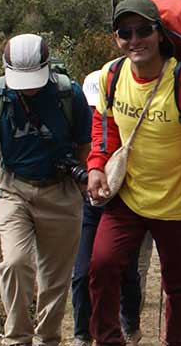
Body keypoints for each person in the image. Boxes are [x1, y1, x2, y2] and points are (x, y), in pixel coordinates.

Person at [85, 0, 181, 346]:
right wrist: (97, 166)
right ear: (116, 38)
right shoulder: (111, 75)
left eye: (143, 30)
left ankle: (176, 340)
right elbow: (104, 127)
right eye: (125, 32)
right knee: (101, 267)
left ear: (160, 34)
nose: (134, 40)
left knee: (177, 286)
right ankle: (108, 340)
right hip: (127, 199)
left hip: (177, 207)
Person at [0, 34, 91, 346]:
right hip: (16, 190)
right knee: (14, 263)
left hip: (62, 192)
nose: (28, 86)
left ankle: (48, 339)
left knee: (55, 279)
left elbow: (84, 143)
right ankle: (16, 339)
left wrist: (84, 179)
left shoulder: (69, 94)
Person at [70, 70, 148, 346]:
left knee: (125, 271)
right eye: (89, 106)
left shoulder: (122, 126)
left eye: (97, 105)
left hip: (123, 205)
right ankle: (82, 334)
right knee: (82, 272)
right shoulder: (77, 130)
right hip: (90, 207)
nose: (93, 111)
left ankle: (130, 326)